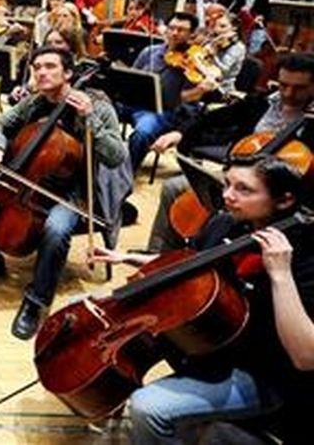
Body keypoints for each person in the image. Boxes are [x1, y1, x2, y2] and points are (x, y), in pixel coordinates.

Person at [92, 157, 312, 444]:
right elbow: (191, 262)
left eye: (244, 190)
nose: (227, 196)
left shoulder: (305, 255)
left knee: (148, 407)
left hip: (262, 375)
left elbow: (305, 356)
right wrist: (131, 258)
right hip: (207, 348)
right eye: (227, 183)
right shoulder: (225, 222)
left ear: (284, 200)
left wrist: (281, 275)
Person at [0, 47, 126, 339]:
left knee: (56, 229)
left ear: (68, 73)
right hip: (24, 179)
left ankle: (36, 301)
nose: (41, 72)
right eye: (36, 67)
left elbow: (116, 156)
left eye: (49, 66)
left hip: (73, 191)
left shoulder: (97, 105)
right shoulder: (36, 102)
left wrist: (90, 118)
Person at [145, 53, 314, 252]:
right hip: (236, 176)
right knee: (173, 188)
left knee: (222, 214)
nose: (288, 93)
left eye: (299, 88)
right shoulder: (263, 102)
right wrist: (180, 133)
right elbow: (215, 117)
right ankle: (158, 254)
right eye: (284, 84)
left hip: (277, 195)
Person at [123, 12, 214, 172]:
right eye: (171, 28)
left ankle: (124, 175)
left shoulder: (194, 62)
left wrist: (200, 89)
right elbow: (131, 77)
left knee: (143, 132)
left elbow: (184, 100)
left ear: (191, 34)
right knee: (96, 109)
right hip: (135, 102)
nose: (174, 33)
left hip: (162, 111)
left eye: (181, 30)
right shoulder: (150, 51)